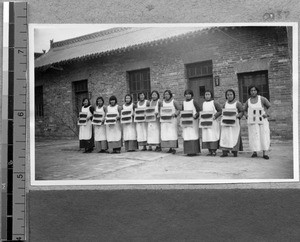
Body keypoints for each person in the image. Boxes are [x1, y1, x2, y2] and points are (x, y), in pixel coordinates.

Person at [244, 85, 271, 159]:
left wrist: (266, 114)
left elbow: (269, 106)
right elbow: (244, 110)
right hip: (253, 122)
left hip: (262, 121)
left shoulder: (262, 99)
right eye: (251, 90)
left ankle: (264, 153)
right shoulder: (248, 101)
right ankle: (254, 152)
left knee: (263, 136)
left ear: (257, 91)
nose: (253, 92)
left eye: (254, 90)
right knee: (254, 136)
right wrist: (246, 115)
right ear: (249, 92)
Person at [219, 89, 244, 157]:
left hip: (234, 124)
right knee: (226, 136)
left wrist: (238, 115)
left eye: (231, 94)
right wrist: (222, 115)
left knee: (234, 136)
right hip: (226, 123)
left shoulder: (237, 103)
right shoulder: (225, 104)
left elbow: (242, 111)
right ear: (226, 96)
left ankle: (234, 151)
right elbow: (222, 112)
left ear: (233, 95)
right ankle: (225, 152)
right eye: (228, 95)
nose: (229, 96)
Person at [201, 90, 222, 156]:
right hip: (206, 122)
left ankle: (214, 150)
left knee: (213, 136)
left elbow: (220, 111)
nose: (207, 96)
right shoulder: (203, 103)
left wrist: (215, 116)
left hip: (213, 122)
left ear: (211, 95)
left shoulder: (214, 103)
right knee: (207, 136)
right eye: (206, 94)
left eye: (208, 94)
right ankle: (209, 150)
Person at [160, 90, 181, 154]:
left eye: (168, 94)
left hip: (172, 120)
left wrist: (175, 114)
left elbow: (179, 109)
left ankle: (173, 147)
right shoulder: (162, 103)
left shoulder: (174, 102)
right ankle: (168, 147)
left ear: (170, 95)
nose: (166, 96)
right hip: (164, 120)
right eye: (165, 94)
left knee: (172, 133)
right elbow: (160, 110)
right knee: (166, 133)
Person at [182, 89, 201, 156]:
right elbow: (182, 112)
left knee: (193, 134)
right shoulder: (183, 103)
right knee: (187, 135)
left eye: (189, 94)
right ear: (185, 95)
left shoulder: (194, 102)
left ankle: (194, 150)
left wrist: (196, 115)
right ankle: (188, 151)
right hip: (186, 122)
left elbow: (199, 111)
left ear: (192, 95)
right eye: (186, 94)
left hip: (193, 122)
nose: (188, 95)